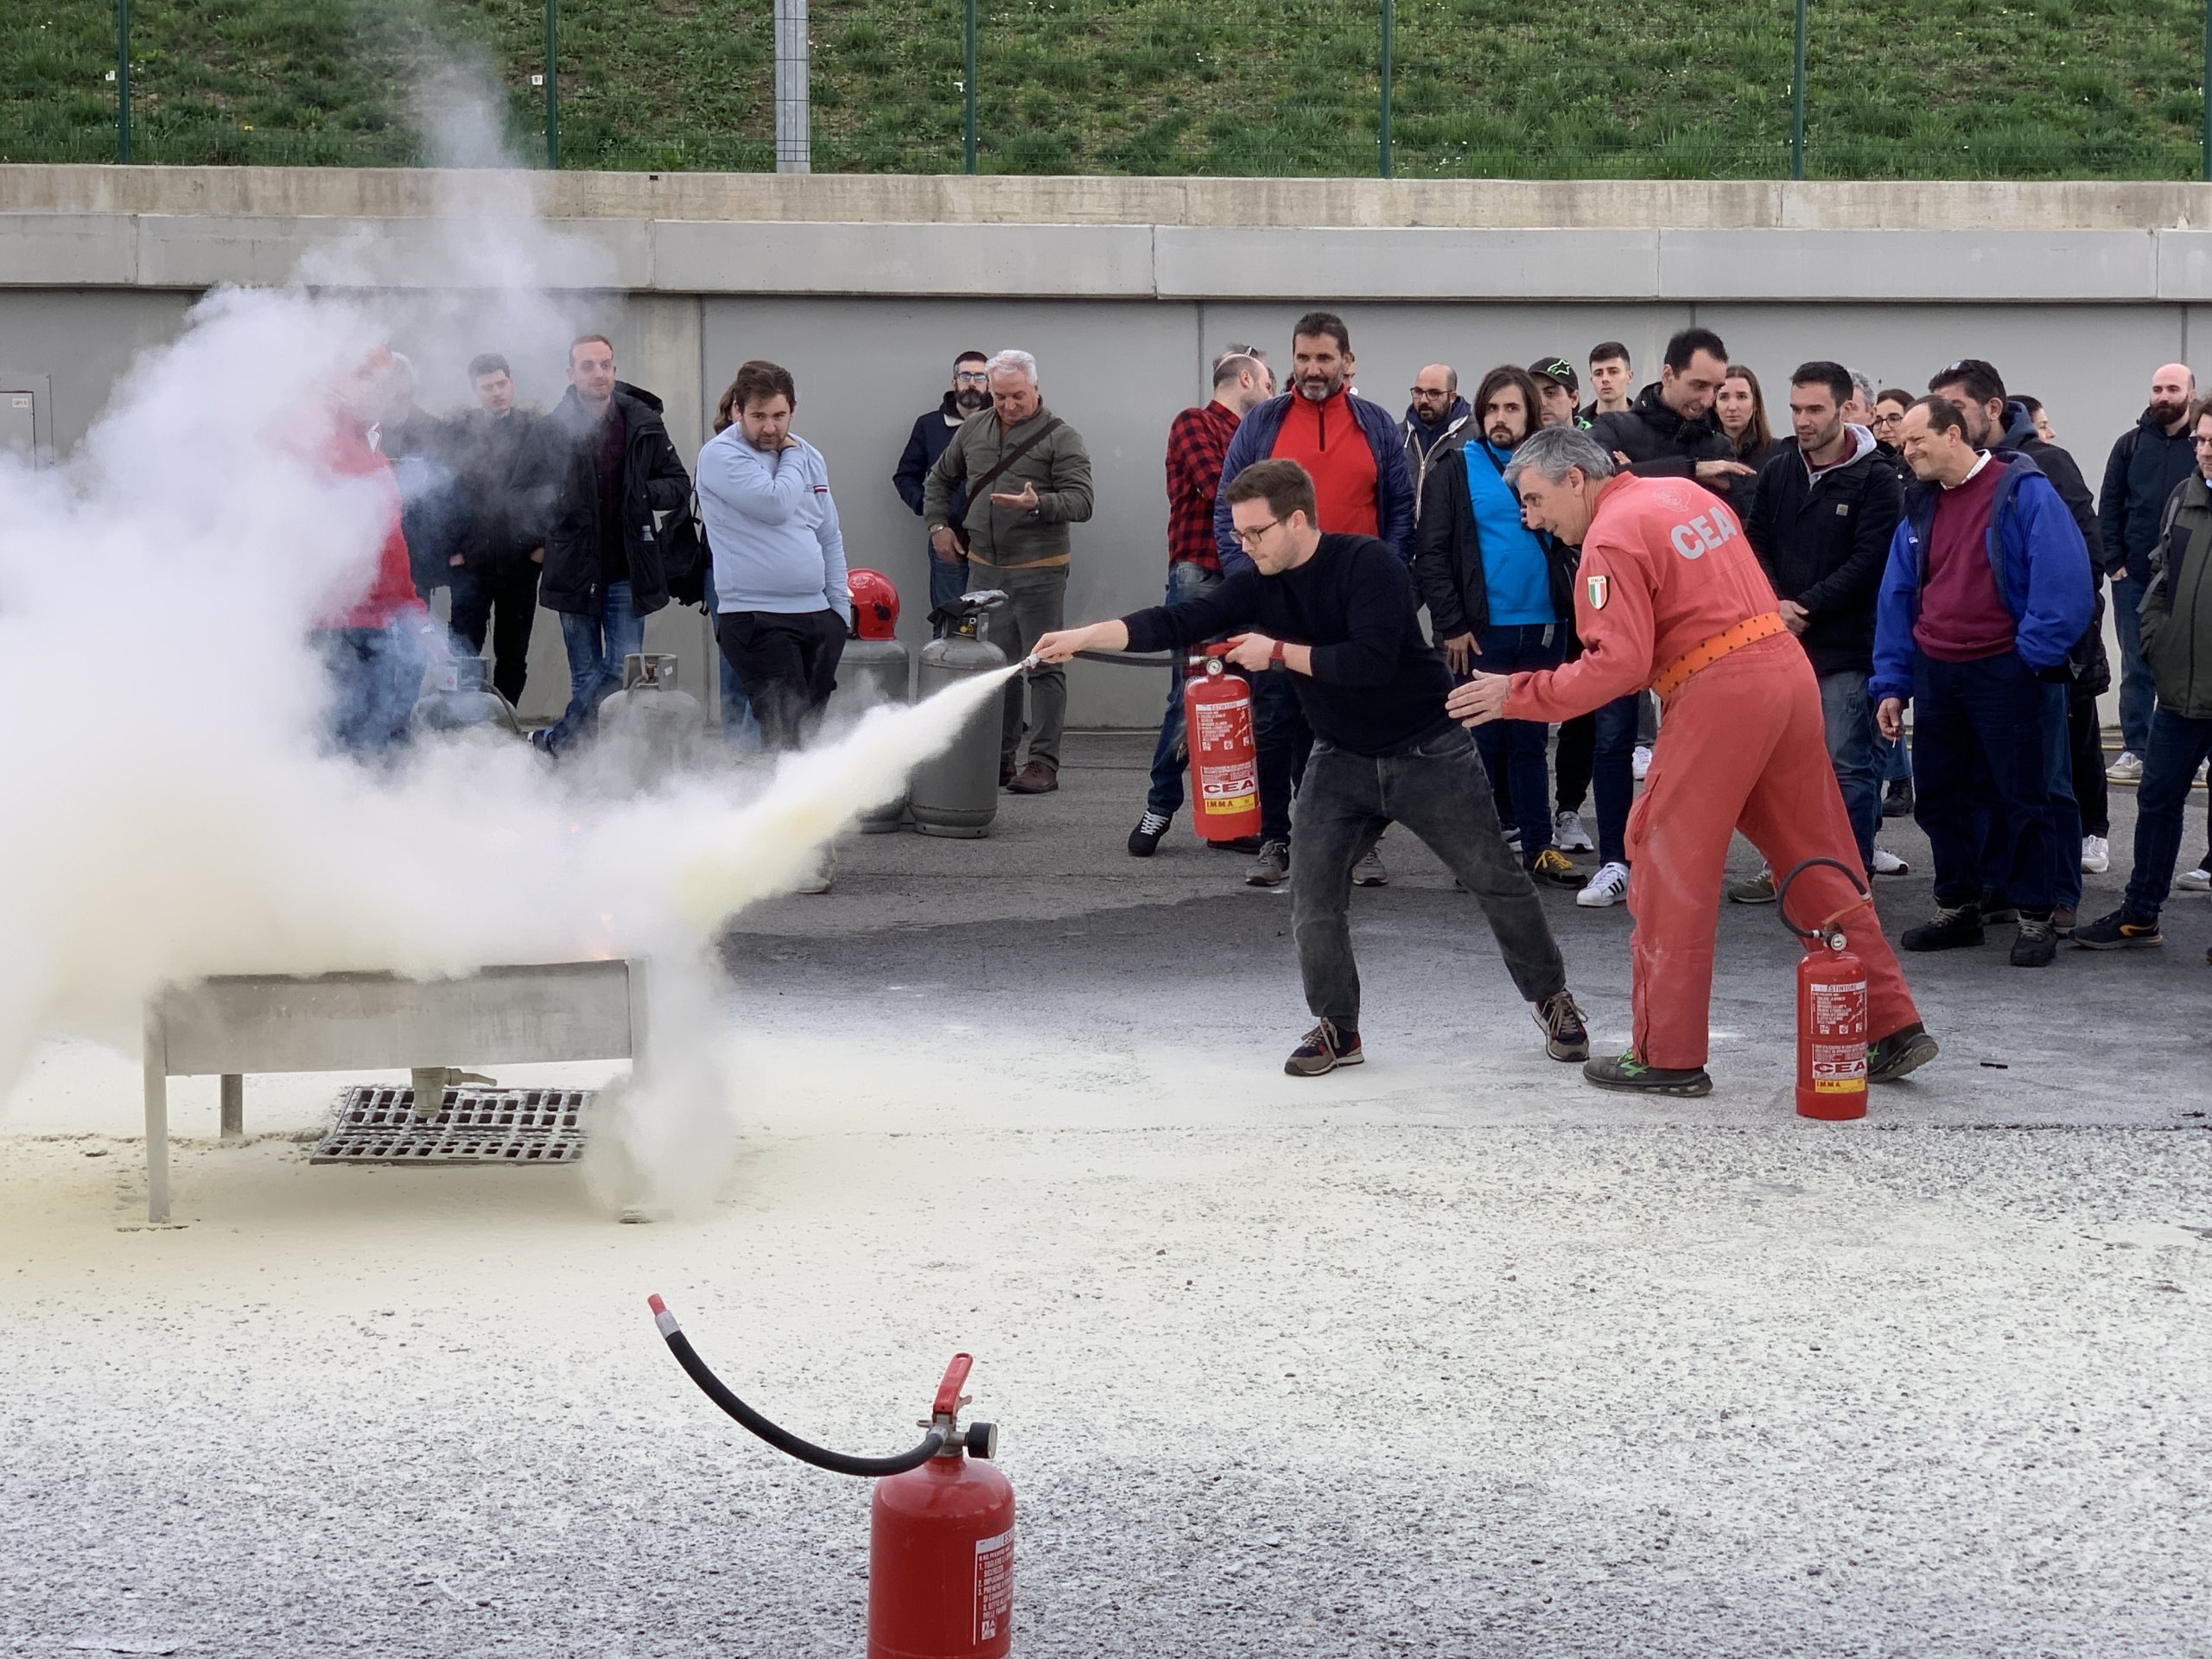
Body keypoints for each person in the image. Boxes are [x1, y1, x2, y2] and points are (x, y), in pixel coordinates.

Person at [1033, 458, 1589, 1078]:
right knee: (1312, 897)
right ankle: (1338, 1028)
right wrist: (1083, 636)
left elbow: (1369, 663)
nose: (1244, 546)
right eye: (1239, 534)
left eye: (1256, 533)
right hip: (1340, 757)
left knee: (1495, 880)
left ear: (1297, 520)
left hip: (1428, 750)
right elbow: (1176, 621)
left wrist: (1275, 652)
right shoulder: (1257, 582)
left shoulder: (1370, 564)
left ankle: (1552, 999)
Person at [1446, 428, 1934, 1098]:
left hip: (1717, 692)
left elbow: (1615, 668)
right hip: (1784, 674)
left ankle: (1667, 1055)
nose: (1531, 519)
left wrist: (1516, 694)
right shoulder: (1682, 495)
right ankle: (1888, 1021)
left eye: (1533, 500)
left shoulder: (1609, 539)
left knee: (1666, 863)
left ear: (1575, 480)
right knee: (1817, 856)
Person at [1872, 396, 2092, 968]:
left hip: (2006, 669)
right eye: (1904, 442)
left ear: (1953, 434)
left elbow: (2063, 577)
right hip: (1938, 669)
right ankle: (1958, 908)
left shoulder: (2023, 491)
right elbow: (1898, 594)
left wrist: (2029, 657)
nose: (1906, 450)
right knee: (1942, 797)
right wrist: (1892, 682)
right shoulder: (1920, 505)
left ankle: (2035, 917)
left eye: (1916, 439)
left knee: (2023, 798)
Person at [1212, 310, 1418, 887]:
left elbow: (1400, 509)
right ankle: (1276, 839)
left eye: (1325, 357)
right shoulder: (1263, 424)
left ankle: (1359, 843)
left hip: (1354, 608)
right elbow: (1229, 510)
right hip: (1281, 604)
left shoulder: (1376, 425)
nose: (1313, 369)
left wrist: (1385, 579)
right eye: (1303, 357)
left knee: (1356, 728)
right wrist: (1253, 584)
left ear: (1347, 362)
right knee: (1276, 722)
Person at [1929, 357, 2106, 915]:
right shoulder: (1944, 480)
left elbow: (2084, 565)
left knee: (2047, 782)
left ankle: (2058, 896)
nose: (1945, 419)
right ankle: (2000, 887)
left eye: (1956, 407)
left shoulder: (2045, 466)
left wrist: (2033, 650)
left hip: (2037, 662)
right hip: (1978, 665)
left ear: (1993, 408)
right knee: (1985, 781)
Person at [1732, 360, 1905, 901]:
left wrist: (1804, 606)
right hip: (1780, 643)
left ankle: (1848, 882)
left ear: (1844, 409)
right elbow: (1753, 540)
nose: (1802, 420)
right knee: (1783, 768)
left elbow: (1870, 561)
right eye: (1795, 409)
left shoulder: (1877, 477)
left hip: (1846, 649)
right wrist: (1773, 604)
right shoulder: (1780, 467)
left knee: (1846, 767)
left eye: (1814, 409)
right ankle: (1786, 869)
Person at [1412, 365, 1582, 887]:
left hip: (1545, 626)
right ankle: (1477, 856)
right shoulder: (1454, 467)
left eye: (1512, 407)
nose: (1500, 418)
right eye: (1492, 408)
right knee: (1479, 746)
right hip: (1479, 634)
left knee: (1530, 744)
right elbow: (1431, 554)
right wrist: (1451, 625)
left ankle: (1538, 848)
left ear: (1530, 412)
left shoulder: (1555, 466)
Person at [2076, 393, 2212, 963]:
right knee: (2157, 800)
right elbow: (2161, 573)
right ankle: (2140, 914)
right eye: (2202, 440)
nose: (2204, 451)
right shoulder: (2185, 498)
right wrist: (2155, 639)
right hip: (2180, 691)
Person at [923, 347, 1094, 794]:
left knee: (1044, 665)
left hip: (1040, 570)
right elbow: (938, 478)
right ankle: (1000, 759)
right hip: (985, 570)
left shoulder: (1062, 437)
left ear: (1036, 388)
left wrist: (1040, 504)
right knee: (996, 666)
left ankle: (1042, 763)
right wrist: (938, 526)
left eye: (1018, 395)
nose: (1009, 405)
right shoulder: (974, 428)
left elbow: (1082, 501)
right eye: (1000, 396)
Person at [1129, 343, 1274, 856]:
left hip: (1249, 578)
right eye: (1269, 383)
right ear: (1247, 380)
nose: (1272, 394)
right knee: (1190, 696)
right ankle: (1160, 807)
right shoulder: (1195, 422)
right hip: (1202, 573)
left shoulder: (1257, 435)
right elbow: (1222, 488)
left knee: (1244, 700)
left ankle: (1229, 820)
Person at [537, 334, 694, 756]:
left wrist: (642, 494)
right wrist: (549, 525)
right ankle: (587, 763)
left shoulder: (642, 421)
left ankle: (557, 743)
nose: (598, 373)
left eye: (605, 364)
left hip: (627, 568)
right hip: (573, 568)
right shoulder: (551, 429)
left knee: (623, 672)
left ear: (615, 369)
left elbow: (678, 484)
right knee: (585, 674)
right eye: (588, 366)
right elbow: (522, 493)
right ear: (571, 373)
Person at [312, 347, 432, 761]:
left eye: (386, 384)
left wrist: (412, 608)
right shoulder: (322, 440)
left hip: (377, 620)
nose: (380, 392)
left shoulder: (368, 444)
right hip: (351, 624)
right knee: (361, 747)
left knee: (364, 744)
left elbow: (388, 541)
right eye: (367, 379)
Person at [2097, 363, 2198, 783]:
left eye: (2172, 388)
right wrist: (2114, 564)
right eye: (2157, 389)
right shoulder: (2130, 445)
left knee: (2194, 664)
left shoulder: (2203, 446)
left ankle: (2198, 753)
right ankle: (2136, 749)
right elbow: (2110, 504)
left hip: (2194, 578)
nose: (2163, 396)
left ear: (2191, 394)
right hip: (2136, 578)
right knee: (2137, 667)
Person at [446, 353, 557, 709]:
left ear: (512, 383)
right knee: (463, 651)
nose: (496, 392)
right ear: (475, 390)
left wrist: (541, 545)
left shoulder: (535, 430)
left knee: (513, 653)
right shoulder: (460, 434)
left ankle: (504, 723)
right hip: (471, 564)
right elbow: (445, 493)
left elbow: (552, 487)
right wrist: (453, 550)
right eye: (487, 387)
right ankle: (464, 723)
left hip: (520, 561)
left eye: (501, 384)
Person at [894, 350, 990, 634]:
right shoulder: (930, 426)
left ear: (989, 383)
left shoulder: (1003, 424)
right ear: (954, 382)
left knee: (996, 628)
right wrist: (934, 519)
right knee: (951, 626)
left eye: (979, 377)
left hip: (996, 544)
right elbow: (905, 477)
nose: (971, 383)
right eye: (965, 375)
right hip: (949, 542)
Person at [1401, 364, 1471, 519]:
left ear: (1452, 397)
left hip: (1450, 532)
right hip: (1403, 532)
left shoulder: (1474, 437)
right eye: (1418, 392)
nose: (1423, 400)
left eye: (1434, 394)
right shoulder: (1397, 436)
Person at [1714, 365, 1777, 469]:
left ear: (1755, 404)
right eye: (1724, 397)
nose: (1732, 407)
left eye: (1741, 397)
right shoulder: (1700, 454)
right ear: (1714, 405)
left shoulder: (1779, 454)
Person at [1529, 358, 1587, 429]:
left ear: (1574, 399)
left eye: (1550, 393)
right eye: (1534, 396)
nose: (1541, 403)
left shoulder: (1597, 435)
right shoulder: (1518, 435)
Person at [1582, 342, 1634, 422]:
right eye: (1598, 374)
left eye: (1613, 372)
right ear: (1591, 380)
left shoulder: (1646, 423)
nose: (1605, 379)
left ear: (1629, 377)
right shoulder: (1578, 425)